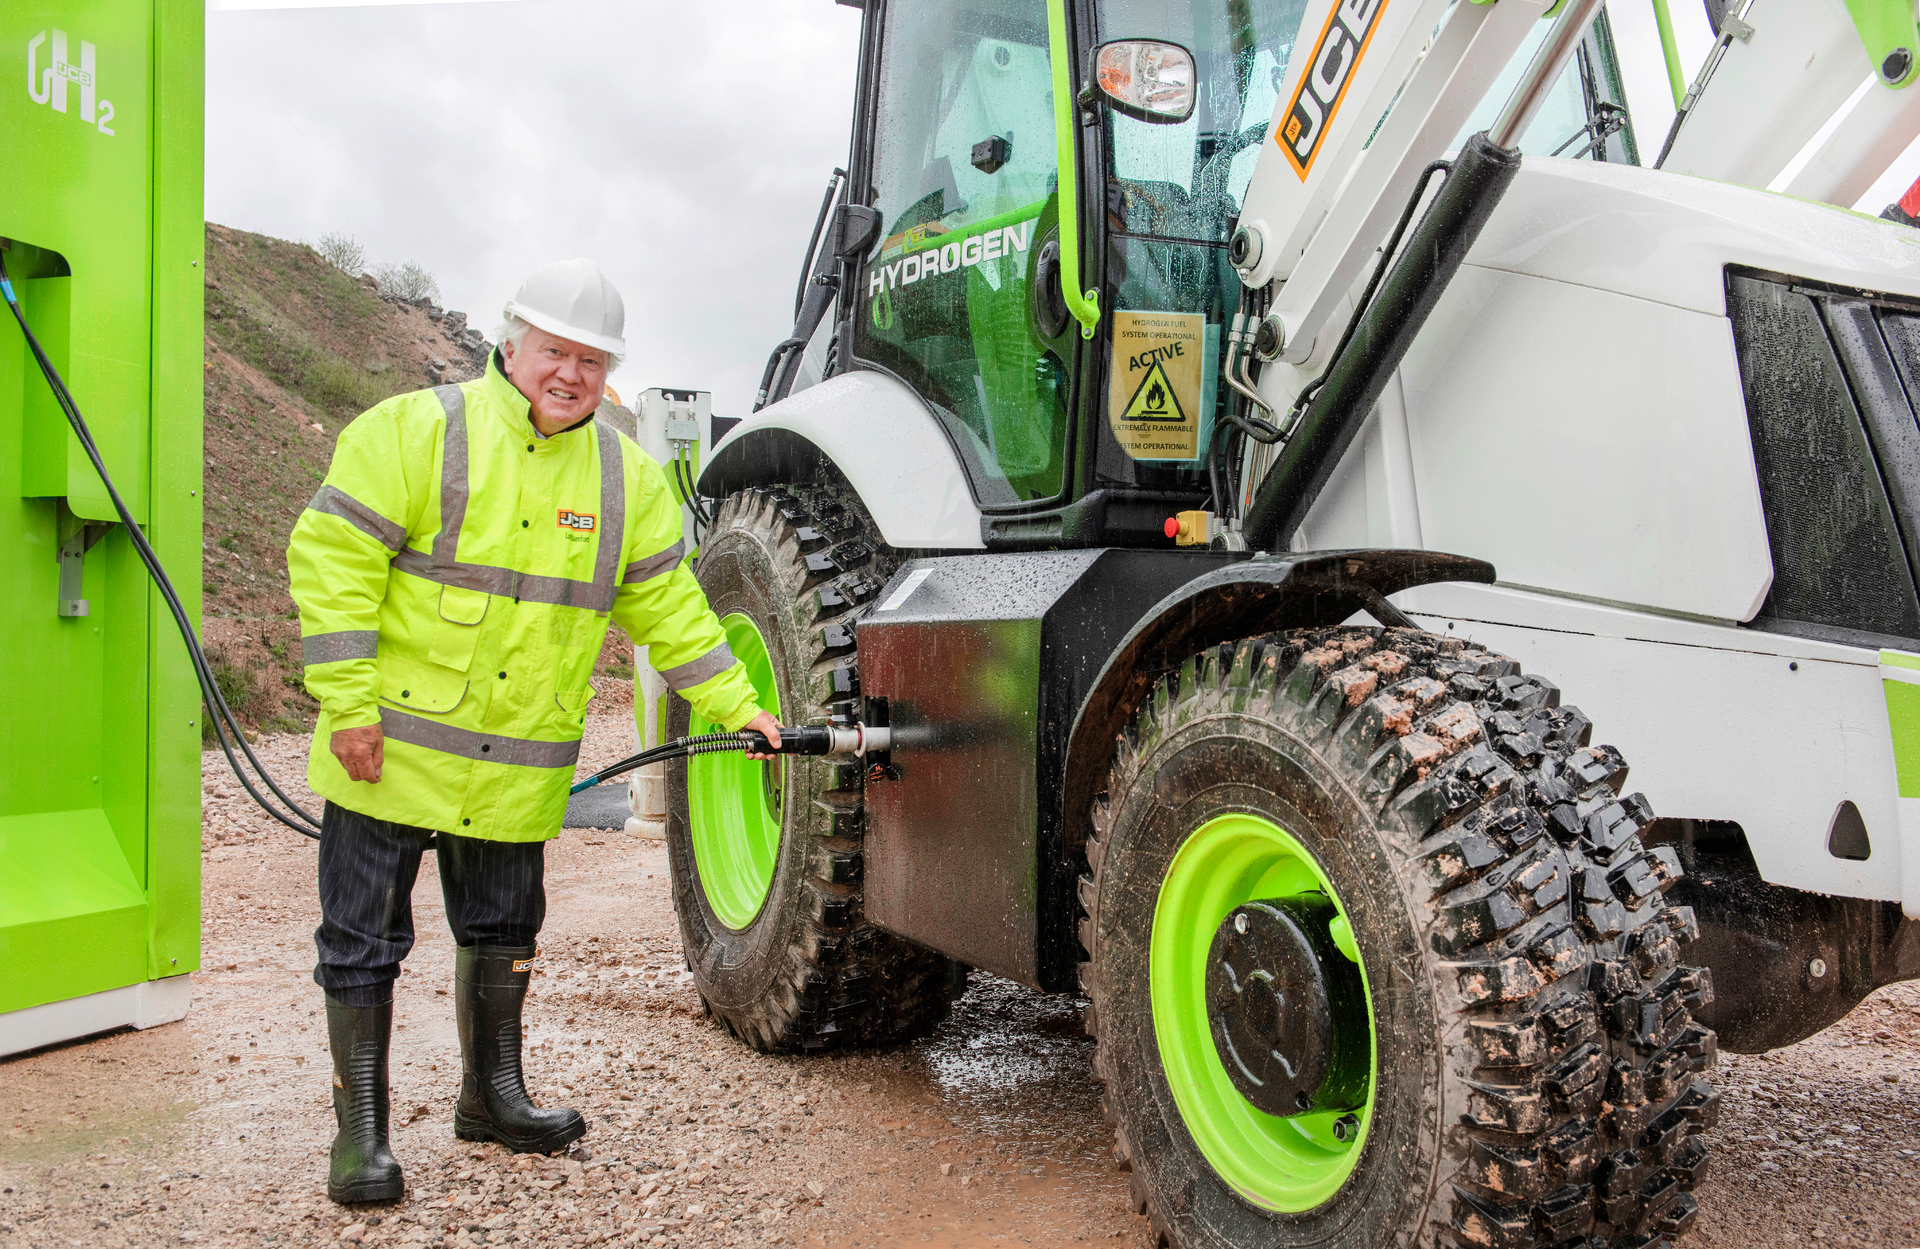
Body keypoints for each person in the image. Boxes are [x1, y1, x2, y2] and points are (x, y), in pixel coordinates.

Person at [287, 258, 780, 1204]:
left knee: (505, 927)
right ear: (510, 343)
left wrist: (735, 703)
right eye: (555, 350)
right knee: (361, 938)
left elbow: (668, 607)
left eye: (593, 362)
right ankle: (361, 1137)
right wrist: (346, 701)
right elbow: (334, 559)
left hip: (514, 771)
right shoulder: (415, 431)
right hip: (387, 750)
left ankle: (493, 1096)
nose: (572, 375)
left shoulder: (625, 477)